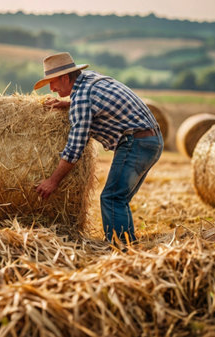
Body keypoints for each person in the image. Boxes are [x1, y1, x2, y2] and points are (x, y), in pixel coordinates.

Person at [34, 52, 163, 246]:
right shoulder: (91, 79)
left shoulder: (82, 98)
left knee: (112, 198)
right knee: (119, 198)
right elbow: (95, 103)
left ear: (65, 77)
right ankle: (128, 246)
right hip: (152, 140)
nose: (51, 89)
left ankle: (121, 250)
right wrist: (69, 103)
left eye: (53, 82)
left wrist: (53, 181)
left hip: (135, 142)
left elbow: (75, 146)